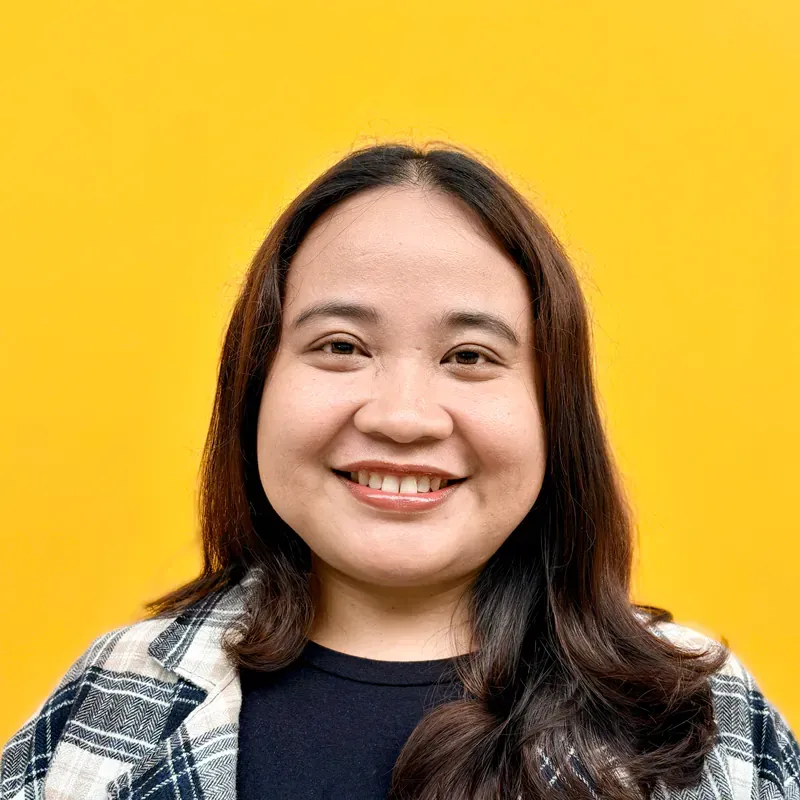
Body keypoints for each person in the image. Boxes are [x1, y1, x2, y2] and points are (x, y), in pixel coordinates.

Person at [2, 143, 798, 800]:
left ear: (554, 414)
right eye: (341, 346)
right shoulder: (109, 701)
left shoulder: (705, 715)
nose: (402, 415)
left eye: (470, 357)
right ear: (255, 386)